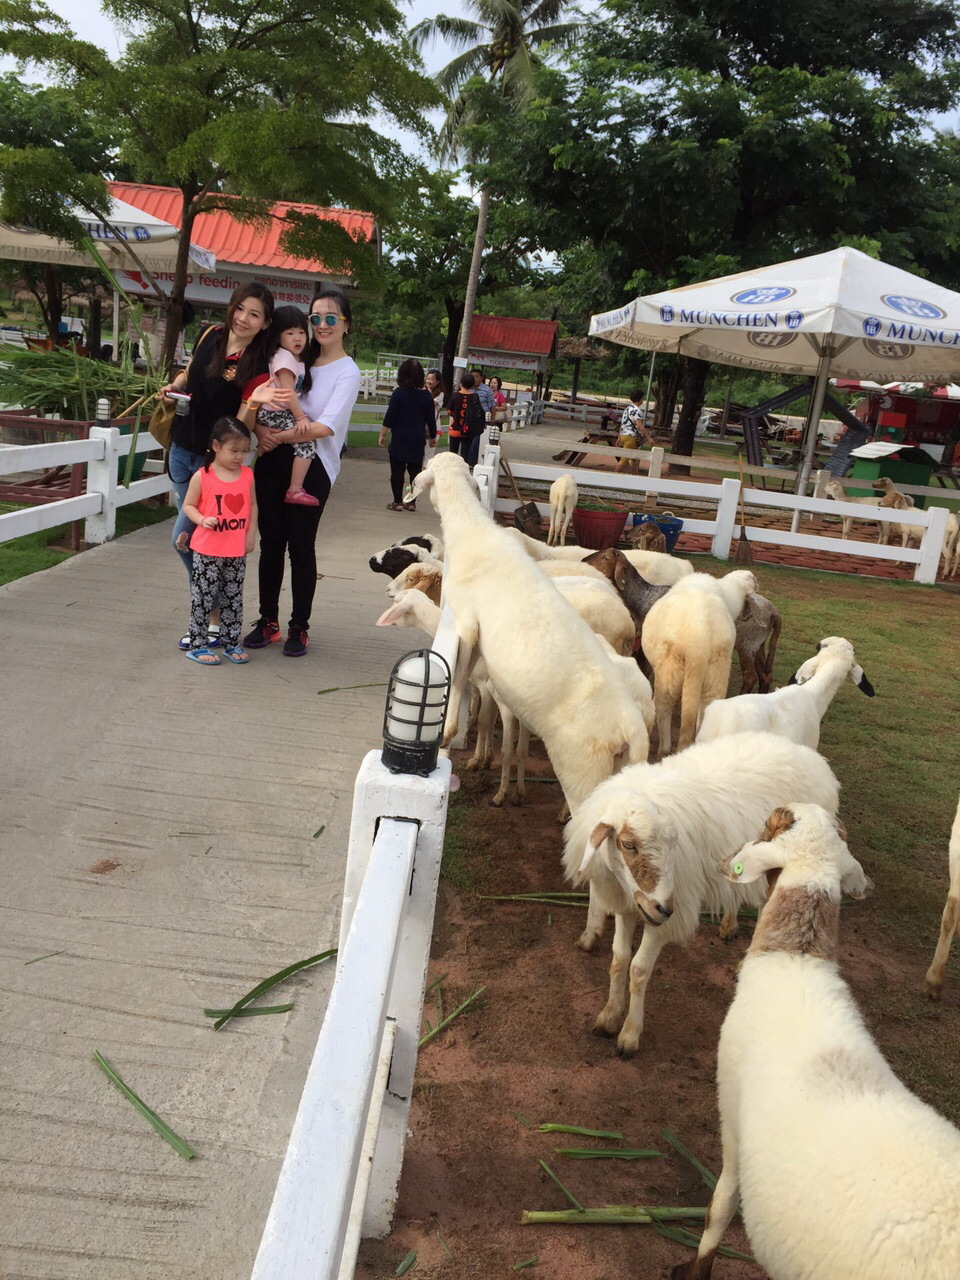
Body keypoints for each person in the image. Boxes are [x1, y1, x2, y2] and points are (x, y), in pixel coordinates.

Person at [240, 286, 362, 658]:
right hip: (274, 460)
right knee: (271, 544)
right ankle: (268, 621)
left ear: (345, 325)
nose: (321, 325)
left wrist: (277, 435)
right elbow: (263, 396)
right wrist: (263, 431)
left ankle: (299, 627)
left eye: (330, 319)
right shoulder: (294, 356)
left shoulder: (348, 371)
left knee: (301, 546)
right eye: (315, 319)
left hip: (314, 468)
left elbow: (325, 427)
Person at [160, 282, 274, 649]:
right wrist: (176, 383)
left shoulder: (257, 366)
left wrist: (255, 401)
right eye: (240, 308)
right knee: (197, 542)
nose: (243, 318)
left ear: (265, 322)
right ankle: (219, 612)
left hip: (215, 467)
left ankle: (212, 614)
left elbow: (240, 430)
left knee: (184, 541)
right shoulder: (211, 333)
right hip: (182, 448)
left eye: (254, 314)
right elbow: (192, 369)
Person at [179, 417, 257, 666]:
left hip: (235, 550)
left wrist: (250, 534)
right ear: (215, 446)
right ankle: (198, 644)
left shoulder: (247, 475)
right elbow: (188, 505)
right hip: (207, 549)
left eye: (244, 451)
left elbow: (253, 506)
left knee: (233, 597)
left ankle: (231, 642)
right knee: (203, 596)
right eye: (233, 450)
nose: (239, 456)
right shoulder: (203, 476)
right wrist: (202, 520)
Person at [257, 305, 316, 506]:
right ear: (277, 336)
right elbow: (288, 392)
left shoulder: (293, 358)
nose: (297, 338)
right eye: (290, 333)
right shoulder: (285, 358)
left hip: (275, 413)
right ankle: (295, 489)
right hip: (275, 413)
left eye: (301, 332)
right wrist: (300, 417)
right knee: (307, 442)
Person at [378, 358, 437, 511]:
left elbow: (390, 417)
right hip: (417, 439)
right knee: (415, 474)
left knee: (397, 472)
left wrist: (382, 434)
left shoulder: (399, 393)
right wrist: (433, 437)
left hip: (399, 438)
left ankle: (397, 501)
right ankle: (411, 501)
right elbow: (431, 419)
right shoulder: (426, 397)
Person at [616, 386, 656, 475]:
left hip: (623, 435)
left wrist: (619, 437)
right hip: (631, 437)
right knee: (625, 459)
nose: (643, 400)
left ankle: (636, 476)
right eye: (642, 398)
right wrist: (649, 438)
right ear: (640, 399)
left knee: (634, 458)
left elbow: (623, 424)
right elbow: (640, 426)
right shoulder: (637, 411)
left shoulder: (627, 409)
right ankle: (613, 476)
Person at [447, 372, 477, 456]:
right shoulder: (475, 397)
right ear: (472, 385)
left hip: (455, 428)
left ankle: (452, 469)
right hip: (468, 430)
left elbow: (449, 410)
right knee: (465, 454)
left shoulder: (455, 395)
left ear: (461, 383)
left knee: (453, 454)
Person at [425, 368, 446, 442]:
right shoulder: (422, 391)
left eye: (431, 379)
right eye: (427, 379)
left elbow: (430, 405)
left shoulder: (440, 394)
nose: (428, 381)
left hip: (433, 427)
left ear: (437, 382)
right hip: (421, 426)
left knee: (428, 453)